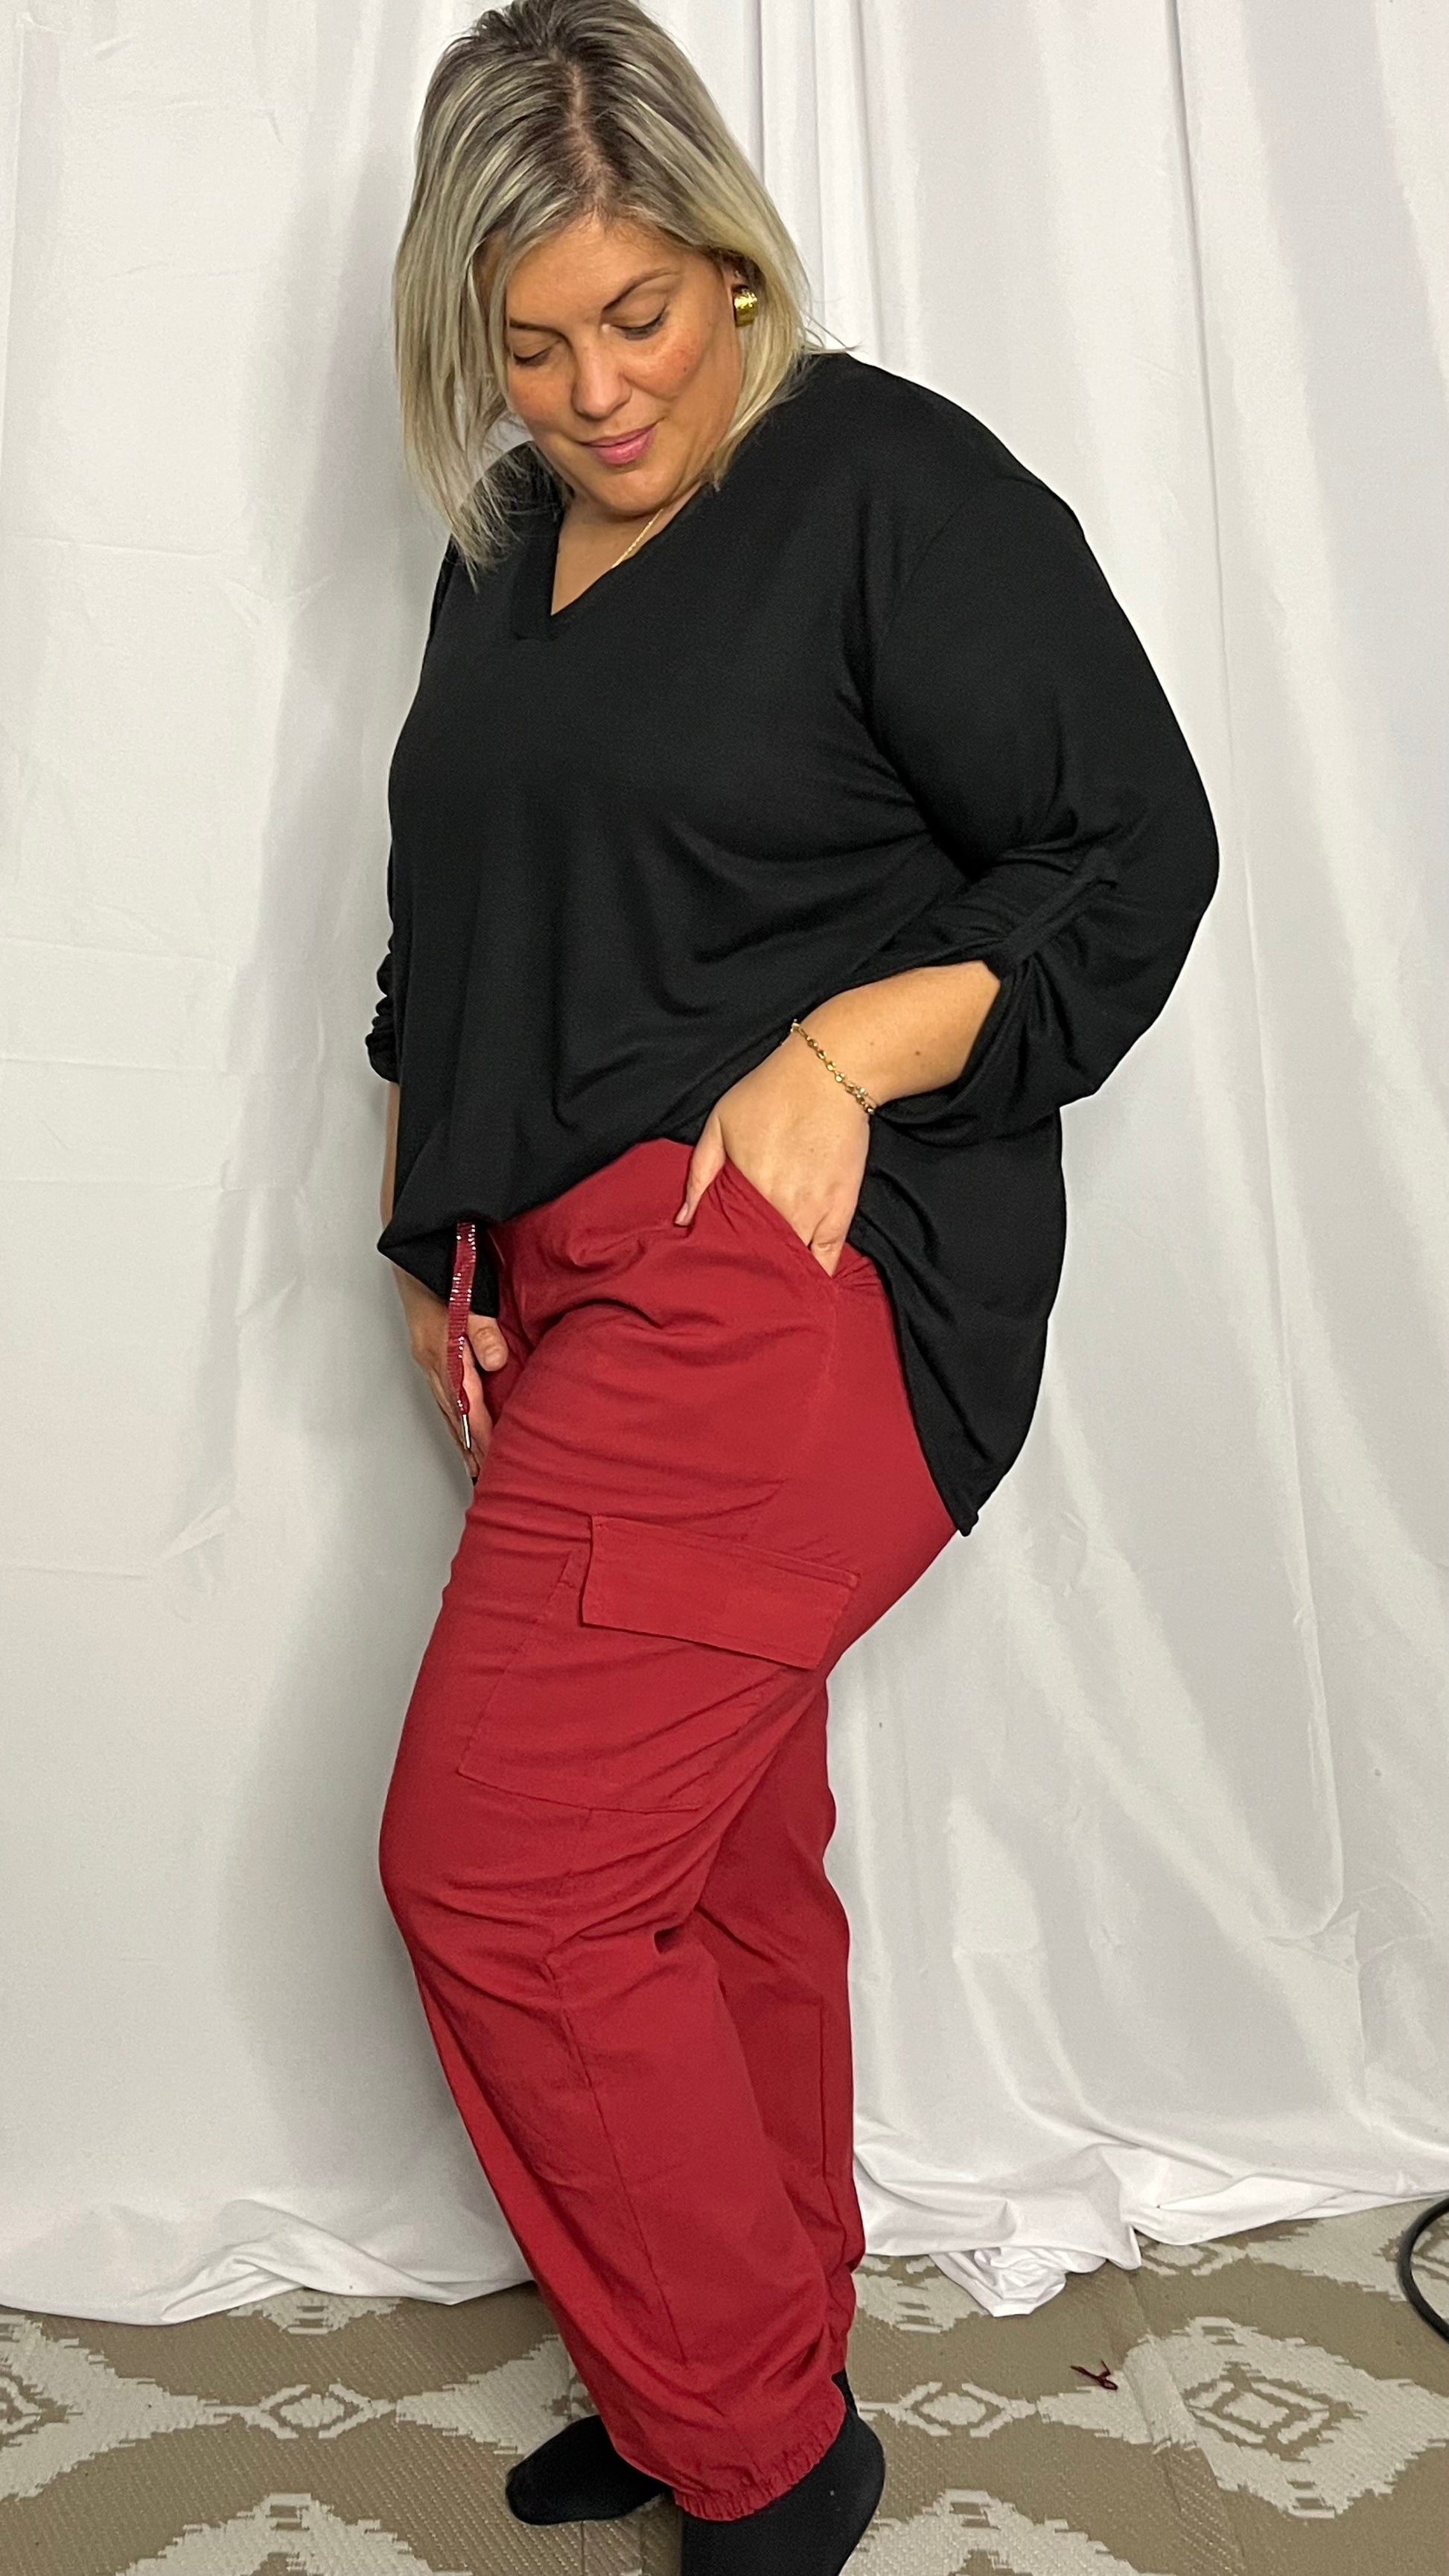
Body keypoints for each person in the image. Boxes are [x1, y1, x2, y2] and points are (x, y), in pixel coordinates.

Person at [368, 5, 1218, 2569]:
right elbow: (454, 932)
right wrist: (435, 1235)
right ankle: (724, 2346)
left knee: (500, 1877)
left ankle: (760, 2457)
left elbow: (1128, 842)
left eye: (641, 314)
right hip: (563, 1292)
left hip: (790, 1280)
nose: (599, 389)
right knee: (708, 1865)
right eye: (532, 341)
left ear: (733, 260)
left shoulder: (883, 485)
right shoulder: (499, 542)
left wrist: (849, 1044)